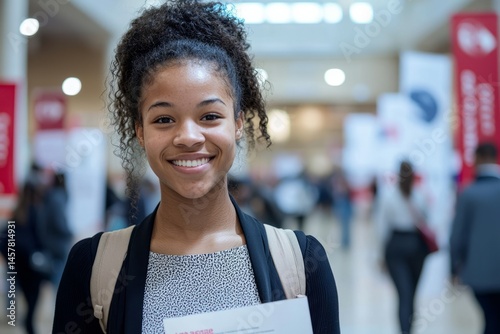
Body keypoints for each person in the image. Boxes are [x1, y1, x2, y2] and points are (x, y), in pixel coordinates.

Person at [52, 1, 340, 333]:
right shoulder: (92, 267)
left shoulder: (300, 263)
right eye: (164, 119)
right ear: (140, 132)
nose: (188, 137)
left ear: (237, 124)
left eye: (209, 116)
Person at [450, 142, 500, 334]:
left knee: (491, 319)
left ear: (478, 159)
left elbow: (457, 236)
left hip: (479, 274)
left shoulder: (468, 194)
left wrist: (454, 268)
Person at [376, 160, 429, 334]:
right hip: (417, 247)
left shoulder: (388, 196)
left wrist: (380, 255)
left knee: (404, 294)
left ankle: (405, 330)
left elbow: (381, 227)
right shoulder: (420, 195)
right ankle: (408, 330)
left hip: (396, 246)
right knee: (411, 294)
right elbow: (427, 220)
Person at [0, 180, 46, 334]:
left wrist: (10, 260)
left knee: (24, 299)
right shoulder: (37, 212)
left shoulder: (16, 213)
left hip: (19, 266)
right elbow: (41, 239)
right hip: (33, 265)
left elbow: (6, 240)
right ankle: (29, 325)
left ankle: (27, 324)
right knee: (32, 303)